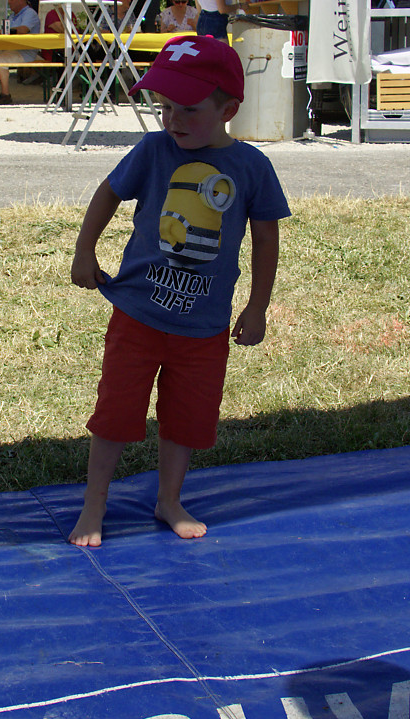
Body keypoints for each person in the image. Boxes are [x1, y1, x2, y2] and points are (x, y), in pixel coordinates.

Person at [67, 34, 289, 547]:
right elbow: (108, 193)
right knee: (115, 413)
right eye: (165, 107)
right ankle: (94, 503)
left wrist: (257, 306)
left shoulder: (251, 166)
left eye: (189, 109)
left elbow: (266, 237)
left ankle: (168, 499)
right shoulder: (153, 150)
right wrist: (84, 250)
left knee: (186, 419)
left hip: (204, 328)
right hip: (138, 316)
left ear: (228, 110)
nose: (173, 120)